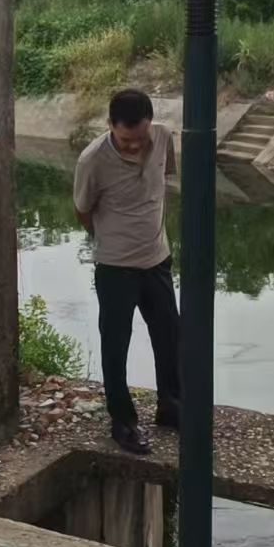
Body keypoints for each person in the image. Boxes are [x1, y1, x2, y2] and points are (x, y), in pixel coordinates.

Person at [73, 88, 181, 455]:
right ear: (109, 125)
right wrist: (111, 239)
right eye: (125, 139)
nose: (134, 145)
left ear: (150, 124)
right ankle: (123, 421)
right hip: (116, 267)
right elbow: (83, 210)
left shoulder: (163, 137)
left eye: (140, 137)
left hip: (157, 259)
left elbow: (162, 182)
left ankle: (171, 406)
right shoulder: (92, 160)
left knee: (169, 336)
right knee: (116, 345)